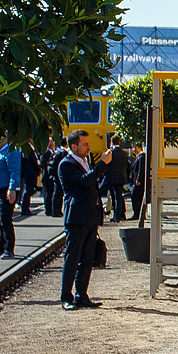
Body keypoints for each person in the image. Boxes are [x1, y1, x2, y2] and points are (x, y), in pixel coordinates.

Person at [58, 129, 111, 309]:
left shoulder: (85, 161)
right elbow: (84, 181)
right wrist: (102, 165)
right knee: (72, 258)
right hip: (76, 218)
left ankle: (82, 295)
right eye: (85, 144)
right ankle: (66, 297)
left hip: (90, 217)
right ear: (74, 146)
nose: (89, 147)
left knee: (87, 259)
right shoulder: (66, 165)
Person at [0, 134, 20, 260]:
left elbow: (14, 171)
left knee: (4, 218)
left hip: (4, 190)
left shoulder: (11, 151)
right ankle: (0, 245)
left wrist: (12, 188)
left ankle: (9, 248)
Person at [105, 135, 130, 222]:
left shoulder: (111, 153)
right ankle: (121, 214)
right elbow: (127, 166)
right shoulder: (124, 153)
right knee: (119, 196)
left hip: (112, 178)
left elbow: (106, 165)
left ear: (111, 142)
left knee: (115, 197)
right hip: (121, 177)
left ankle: (117, 216)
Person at [41, 135, 65, 218]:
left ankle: (54, 209)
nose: (51, 144)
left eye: (52, 142)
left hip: (52, 176)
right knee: (48, 193)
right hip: (47, 176)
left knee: (52, 193)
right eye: (49, 142)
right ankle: (48, 209)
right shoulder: (46, 153)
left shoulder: (54, 152)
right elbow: (43, 164)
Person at [19, 147, 38, 217]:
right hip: (29, 172)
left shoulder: (31, 149)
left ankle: (26, 208)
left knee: (28, 191)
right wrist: (38, 168)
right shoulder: (27, 149)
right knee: (27, 191)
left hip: (29, 172)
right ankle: (25, 209)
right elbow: (31, 161)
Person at [129, 144, 146, 221]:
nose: (133, 149)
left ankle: (137, 213)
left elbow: (141, 169)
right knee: (137, 196)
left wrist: (138, 179)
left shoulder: (142, 157)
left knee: (135, 196)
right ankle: (138, 213)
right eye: (133, 148)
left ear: (140, 148)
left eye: (135, 148)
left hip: (139, 182)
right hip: (136, 180)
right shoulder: (139, 157)